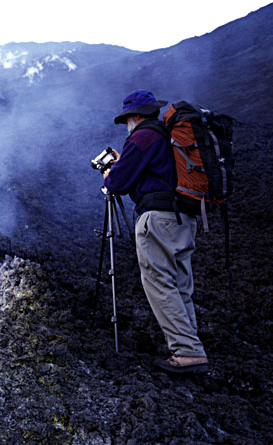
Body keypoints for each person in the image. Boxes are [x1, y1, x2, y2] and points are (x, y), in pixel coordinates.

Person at [103, 89, 209, 374]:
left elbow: (118, 183)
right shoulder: (166, 136)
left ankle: (187, 353)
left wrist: (110, 172)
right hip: (184, 218)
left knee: (160, 284)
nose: (127, 125)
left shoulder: (142, 137)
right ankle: (191, 347)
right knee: (180, 287)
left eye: (126, 120)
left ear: (133, 116)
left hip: (159, 220)